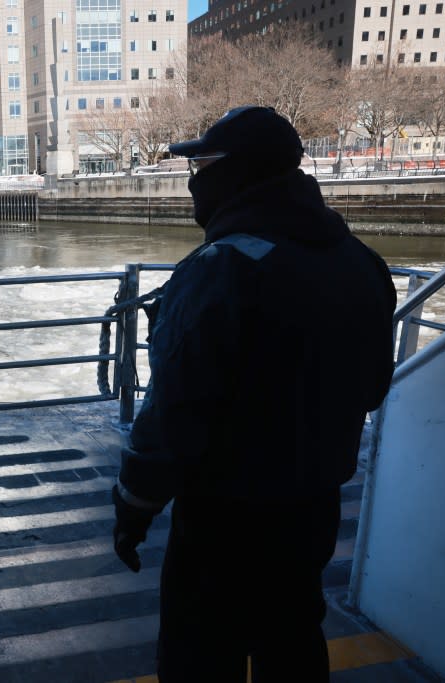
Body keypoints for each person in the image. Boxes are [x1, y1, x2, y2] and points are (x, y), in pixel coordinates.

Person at [111, 106, 397, 682]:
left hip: (225, 516)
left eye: (204, 165)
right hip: (312, 505)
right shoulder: (363, 264)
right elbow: (372, 388)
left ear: (235, 175)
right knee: (292, 636)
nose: (194, 179)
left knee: (201, 650)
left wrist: (134, 505)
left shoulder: (219, 269)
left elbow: (172, 415)